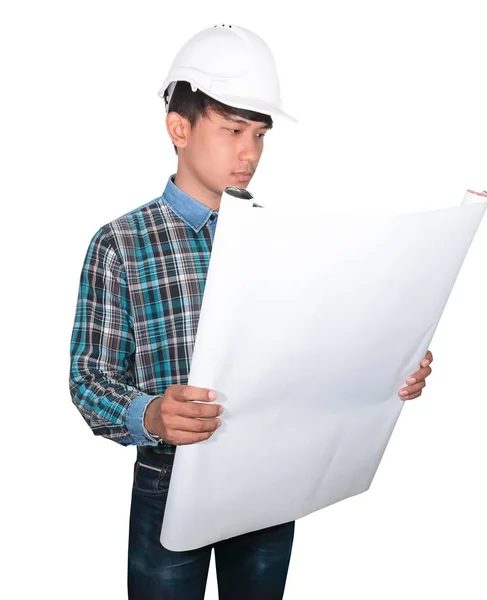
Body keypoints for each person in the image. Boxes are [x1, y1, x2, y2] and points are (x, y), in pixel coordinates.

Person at [69, 23, 434, 600]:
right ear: (179, 128)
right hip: (169, 481)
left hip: (268, 482)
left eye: (260, 134)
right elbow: (87, 377)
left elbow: (321, 349)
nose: (250, 152)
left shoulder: (279, 238)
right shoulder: (122, 243)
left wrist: (393, 364)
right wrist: (150, 414)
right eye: (234, 129)